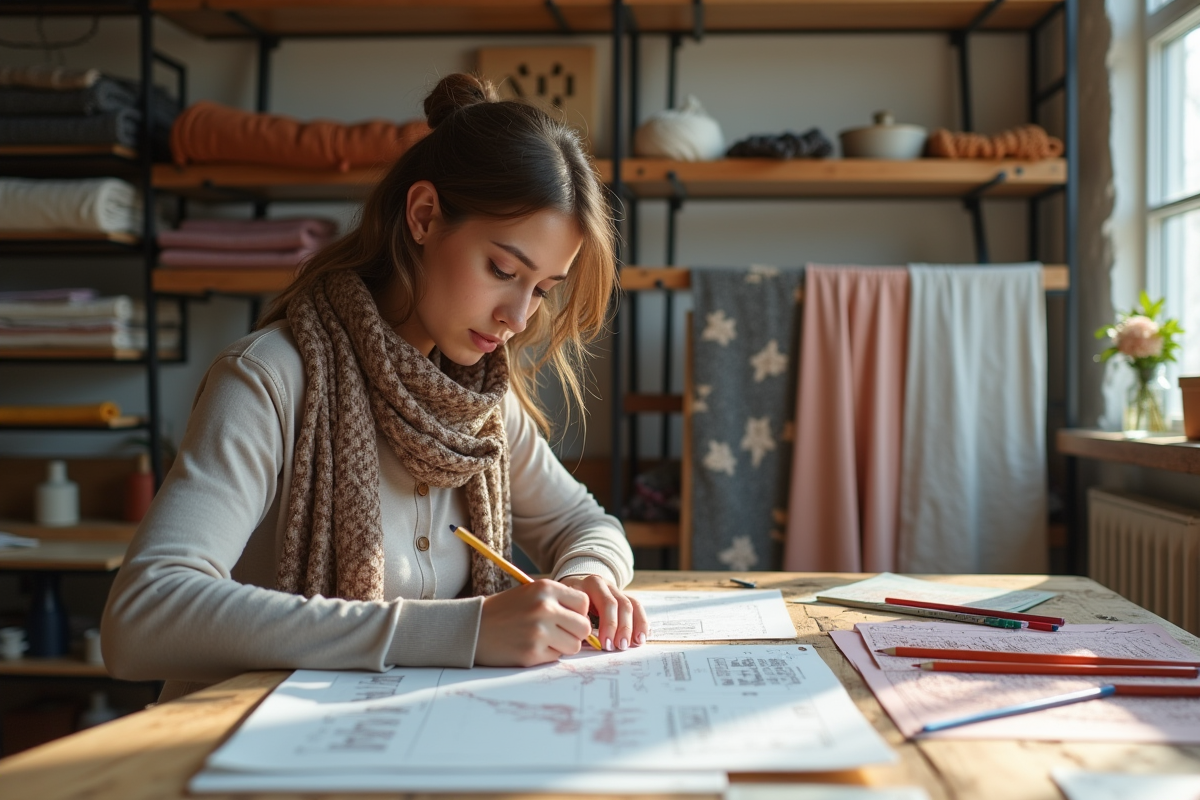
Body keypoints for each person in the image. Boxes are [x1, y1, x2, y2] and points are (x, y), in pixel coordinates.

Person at [101, 73, 647, 701]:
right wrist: (460, 631)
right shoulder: (269, 379)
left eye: (543, 290)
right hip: (242, 738)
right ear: (424, 216)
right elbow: (142, 616)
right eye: (502, 269)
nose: (518, 317)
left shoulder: (479, 406)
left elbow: (585, 522)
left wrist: (587, 575)